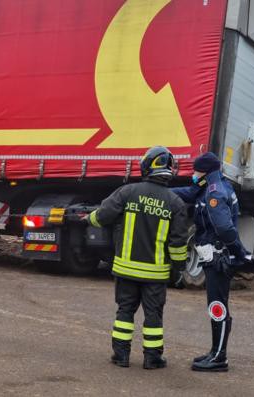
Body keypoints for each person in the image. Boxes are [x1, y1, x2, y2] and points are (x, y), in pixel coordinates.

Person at [84, 146, 190, 369]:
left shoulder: (128, 192)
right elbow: (178, 243)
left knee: (124, 311)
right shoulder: (176, 203)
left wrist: (87, 218)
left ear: (147, 165)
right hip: (156, 274)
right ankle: (152, 359)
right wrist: (178, 269)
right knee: (153, 317)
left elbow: (103, 216)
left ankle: (120, 356)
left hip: (125, 270)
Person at [172, 152, 251, 372]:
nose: (193, 175)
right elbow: (188, 193)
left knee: (217, 307)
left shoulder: (214, 193)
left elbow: (224, 228)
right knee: (217, 305)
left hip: (218, 257)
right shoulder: (212, 185)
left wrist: (238, 253)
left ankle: (219, 358)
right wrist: (161, 192)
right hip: (216, 255)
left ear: (205, 172)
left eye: (196, 171)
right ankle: (215, 352)